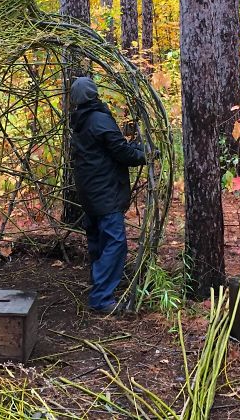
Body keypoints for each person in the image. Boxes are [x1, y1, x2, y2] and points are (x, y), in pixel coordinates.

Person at [69, 76, 146, 314]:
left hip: (89, 192)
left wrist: (131, 148)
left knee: (98, 240)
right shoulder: (99, 120)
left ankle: (99, 282)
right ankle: (101, 297)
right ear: (94, 94)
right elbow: (121, 152)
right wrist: (143, 154)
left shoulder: (79, 121)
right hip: (105, 192)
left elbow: (109, 149)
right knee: (115, 243)